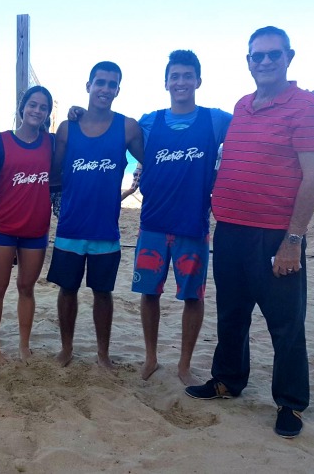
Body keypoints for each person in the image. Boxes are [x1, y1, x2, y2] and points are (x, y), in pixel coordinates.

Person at [185, 26, 314, 439]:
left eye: (272, 55)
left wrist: (293, 240)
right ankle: (228, 380)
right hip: (229, 230)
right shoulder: (242, 105)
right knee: (231, 315)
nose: (264, 62)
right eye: (256, 56)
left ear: (289, 57)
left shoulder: (307, 106)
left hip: (275, 237)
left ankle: (290, 403)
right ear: (248, 61)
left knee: (285, 325)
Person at [132, 50, 232, 385]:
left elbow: (251, 130)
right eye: (175, 76)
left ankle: (185, 364)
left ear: (198, 81)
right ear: (166, 82)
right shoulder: (150, 121)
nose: (181, 82)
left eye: (187, 76)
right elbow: (110, 130)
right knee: (150, 293)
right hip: (153, 225)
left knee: (194, 296)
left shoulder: (215, 120)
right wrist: (77, 114)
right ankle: (150, 357)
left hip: (193, 226)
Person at [47, 61, 144, 369]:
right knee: (68, 290)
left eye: (111, 84)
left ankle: (103, 354)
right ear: (88, 86)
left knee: (103, 293)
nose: (105, 89)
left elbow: (156, 159)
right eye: (100, 82)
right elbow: (53, 172)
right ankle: (66, 349)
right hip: (71, 226)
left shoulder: (127, 126)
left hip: (106, 230)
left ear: (118, 90)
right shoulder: (67, 127)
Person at [0, 85, 54, 364]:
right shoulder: (0, 142)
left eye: (43, 107)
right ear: (22, 107)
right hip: (2, 228)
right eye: (33, 105)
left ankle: (24, 346)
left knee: (27, 288)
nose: (37, 111)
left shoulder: (51, 143)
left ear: (48, 113)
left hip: (36, 230)